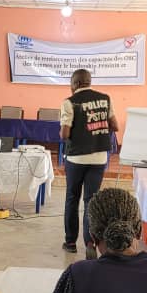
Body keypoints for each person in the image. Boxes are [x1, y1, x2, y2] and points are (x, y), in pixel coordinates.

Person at [60, 69, 119, 258]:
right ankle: (90, 242)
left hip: (76, 158)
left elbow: (64, 134)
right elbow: (115, 126)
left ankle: (70, 242)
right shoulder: (105, 99)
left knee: (72, 198)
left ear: (76, 84)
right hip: (99, 157)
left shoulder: (70, 102)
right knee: (91, 201)